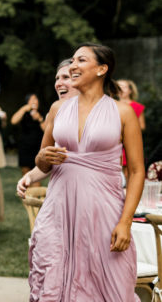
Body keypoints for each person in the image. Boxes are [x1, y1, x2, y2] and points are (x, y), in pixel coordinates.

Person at [28, 43, 144, 301]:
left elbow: (137, 171)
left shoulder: (123, 112)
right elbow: (42, 161)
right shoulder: (58, 110)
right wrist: (43, 157)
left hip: (103, 212)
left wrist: (125, 222)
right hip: (58, 210)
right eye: (72, 61)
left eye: (81, 60)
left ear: (102, 69)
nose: (73, 66)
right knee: (52, 276)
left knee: (109, 284)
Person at [15, 59, 73, 198]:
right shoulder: (52, 114)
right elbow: (49, 162)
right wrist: (30, 176)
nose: (58, 83)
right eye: (57, 78)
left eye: (66, 77)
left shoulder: (104, 113)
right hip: (61, 192)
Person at [10, 94, 44, 184]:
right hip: (25, 148)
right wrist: (24, 109)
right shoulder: (24, 113)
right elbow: (13, 121)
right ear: (27, 102)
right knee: (26, 175)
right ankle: (26, 196)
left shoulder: (42, 112)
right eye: (32, 99)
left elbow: (46, 129)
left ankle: (36, 196)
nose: (35, 101)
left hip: (38, 147)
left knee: (37, 175)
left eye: (36, 99)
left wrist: (39, 118)